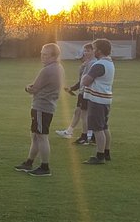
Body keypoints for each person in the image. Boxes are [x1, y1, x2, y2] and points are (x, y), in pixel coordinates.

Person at [14, 43, 65, 177]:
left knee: (42, 136)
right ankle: (29, 162)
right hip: (47, 106)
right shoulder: (59, 67)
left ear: (54, 56)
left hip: (42, 106)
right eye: (42, 53)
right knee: (36, 135)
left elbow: (34, 88)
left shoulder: (47, 70)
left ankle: (44, 167)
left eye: (45, 54)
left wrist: (27, 88)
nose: (42, 56)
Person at [80, 38, 115, 164]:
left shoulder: (99, 64)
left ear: (99, 51)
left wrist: (84, 74)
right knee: (104, 127)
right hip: (105, 99)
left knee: (97, 129)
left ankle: (100, 156)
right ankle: (106, 152)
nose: (93, 51)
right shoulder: (109, 62)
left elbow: (85, 81)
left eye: (94, 49)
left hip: (97, 100)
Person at [56, 42, 95, 144]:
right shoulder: (87, 64)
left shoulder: (91, 64)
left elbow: (85, 80)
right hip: (83, 92)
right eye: (85, 51)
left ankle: (87, 135)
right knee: (78, 112)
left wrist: (73, 88)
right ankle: (70, 131)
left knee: (84, 115)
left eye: (88, 51)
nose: (85, 53)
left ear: (93, 51)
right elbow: (82, 80)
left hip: (86, 92)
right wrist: (72, 89)